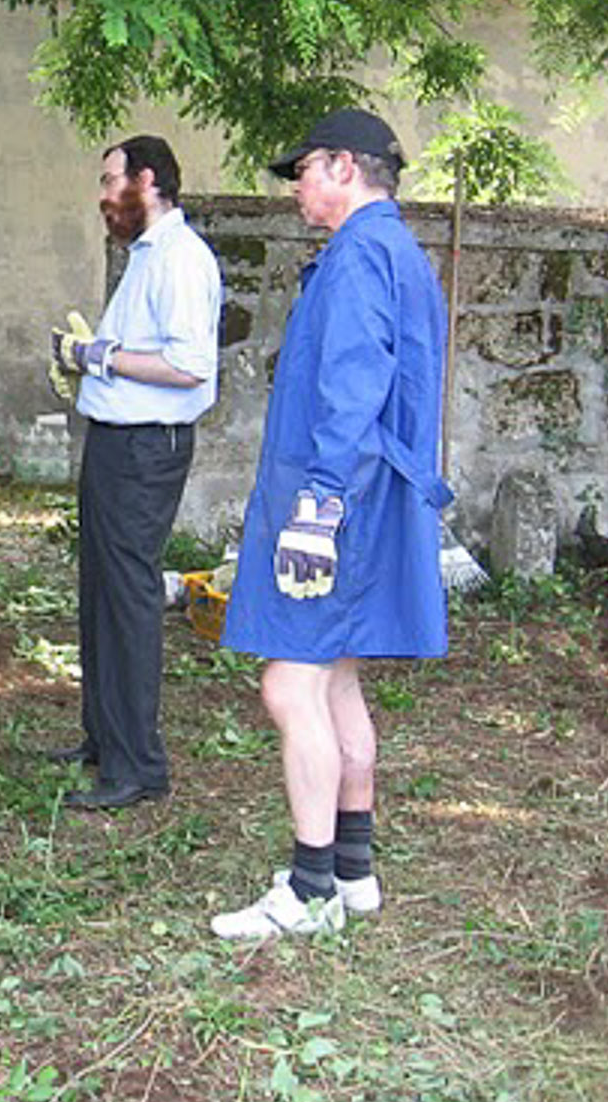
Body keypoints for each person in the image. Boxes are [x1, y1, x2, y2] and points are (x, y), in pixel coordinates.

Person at [211, 108, 449, 940]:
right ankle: (353, 872)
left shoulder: (358, 257)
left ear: (346, 167)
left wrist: (316, 510)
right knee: (338, 677)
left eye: (304, 168)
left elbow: (351, 390)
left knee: (291, 684)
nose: (296, 187)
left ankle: (309, 889)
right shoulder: (400, 255)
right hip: (371, 497)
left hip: (337, 501)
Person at [47, 136, 221, 810]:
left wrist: (96, 356)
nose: (101, 193)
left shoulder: (179, 259)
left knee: (128, 598)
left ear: (145, 180)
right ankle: (104, 738)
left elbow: (188, 367)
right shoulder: (149, 256)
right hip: (119, 442)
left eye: (109, 179)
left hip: (147, 449)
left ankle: (137, 767)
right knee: (101, 589)